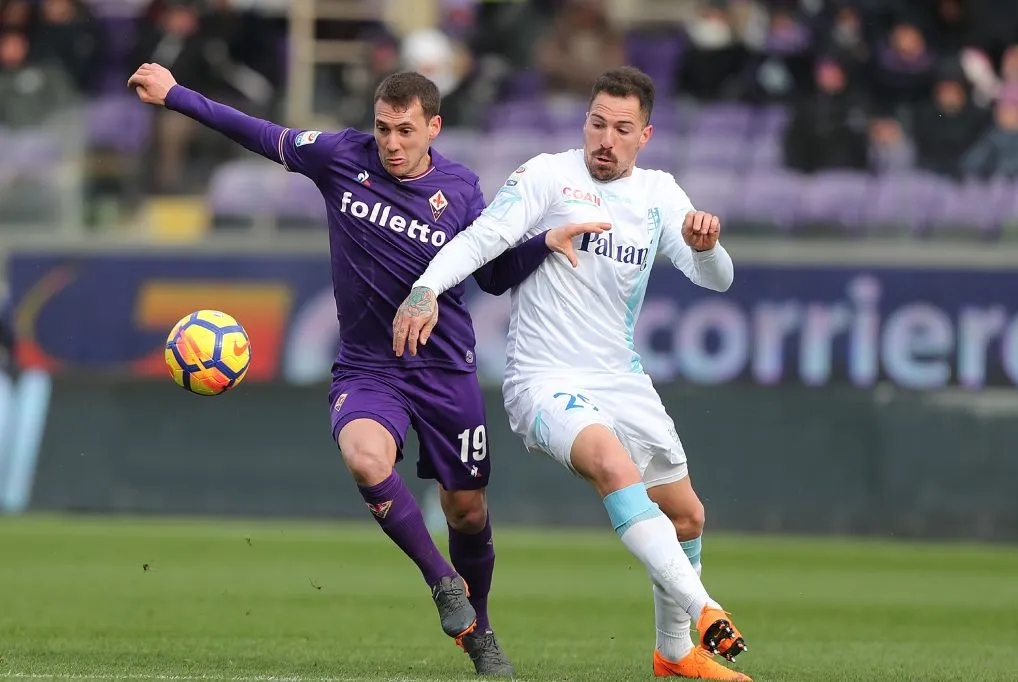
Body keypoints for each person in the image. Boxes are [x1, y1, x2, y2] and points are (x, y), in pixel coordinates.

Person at [128, 62, 602, 677]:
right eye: (382, 129)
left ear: (434, 126)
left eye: (405, 131)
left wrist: (542, 244)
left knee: (468, 511)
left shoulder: (460, 190)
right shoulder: (339, 159)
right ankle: (442, 583)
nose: (392, 144)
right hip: (368, 367)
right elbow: (259, 131)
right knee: (364, 458)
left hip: (443, 369)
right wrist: (176, 96)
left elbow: (489, 274)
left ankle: (480, 628)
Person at [393, 66, 752, 681]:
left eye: (621, 128)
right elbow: (482, 240)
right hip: (543, 378)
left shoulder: (660, 194)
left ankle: (672, 655)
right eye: (596, 123)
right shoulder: (546, 175)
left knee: (687, 515)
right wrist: (426, 288)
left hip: (621, 378)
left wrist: (705, 245)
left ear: (646, 134)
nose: (604, 139)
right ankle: (707, 610)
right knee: (613, 466)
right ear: (584, 121)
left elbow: (716, 279)